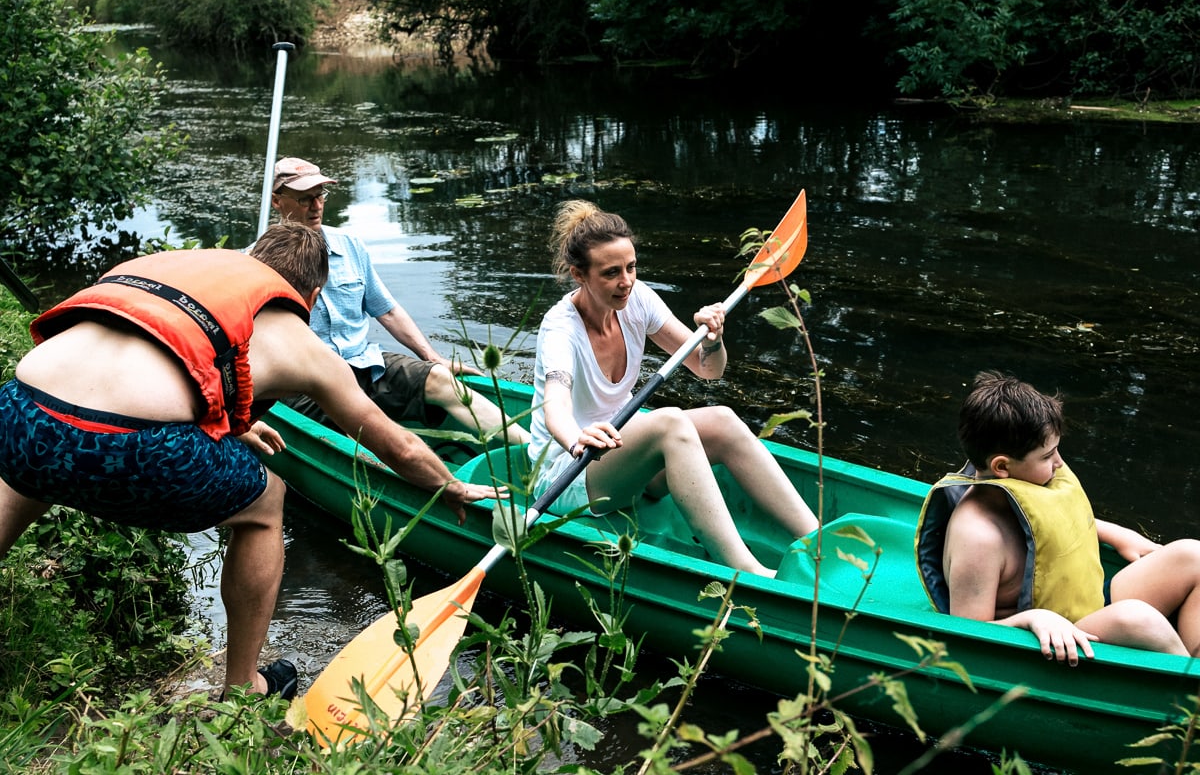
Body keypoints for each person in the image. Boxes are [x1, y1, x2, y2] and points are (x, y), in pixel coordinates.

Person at [0, 223, 507, 701]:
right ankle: (244, 685)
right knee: (267, 498)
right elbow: (397, 448)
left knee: (33, 461)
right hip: (133, 444)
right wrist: (453, 487)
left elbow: (153, 355)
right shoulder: (299, 340)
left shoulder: (182, 266)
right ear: (311, 297)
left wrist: (234, 422)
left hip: (19, 406)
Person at [528, 200, 818, 577]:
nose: (626, 281)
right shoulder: (560, 329)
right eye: (611, 273)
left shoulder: (636, 299)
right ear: (579, 275)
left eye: (631, 267)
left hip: (622, 459)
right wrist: (578, 439)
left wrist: (712, 338)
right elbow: (555, 408)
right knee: (669, 422)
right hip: (568, 472)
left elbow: (707, 369)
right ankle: (745, 571)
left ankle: (818, 541)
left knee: (724, 420)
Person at [916, 371, 1200, 664]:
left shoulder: (1028, 481)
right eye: (1047, 456)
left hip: (1086, 601)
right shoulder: (977, 536)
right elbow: (967, 634)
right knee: (1138, 618)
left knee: (1192, 555)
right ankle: (1191, 692)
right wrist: (1032, 619)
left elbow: (1050, 521)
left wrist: (1117, 533)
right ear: (1002, 466)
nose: (1059, 462)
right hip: (1050, 635)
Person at [268, 157, 530, 447]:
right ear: (277, 201)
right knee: (365, 427)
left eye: (320, 196)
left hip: (364, 366)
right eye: (305, 199)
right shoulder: (258, 260)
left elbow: (388, 311)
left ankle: (541, 454)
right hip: (308, 385)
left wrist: (432, 356)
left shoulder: (350, 245)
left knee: (441, 380)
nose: (316, 206)